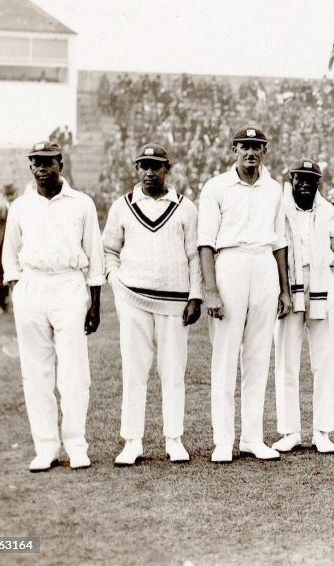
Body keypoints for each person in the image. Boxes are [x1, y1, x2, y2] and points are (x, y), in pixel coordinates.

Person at [2, 141, 104, 471]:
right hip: (32, 287)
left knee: (74, 372)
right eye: (35, 162)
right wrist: (18, 291)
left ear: (61, 163)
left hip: (68, 285)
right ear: (30, 166)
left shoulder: (81, 203)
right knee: (36, 373)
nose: (41, 167)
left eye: (48, 161)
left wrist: (95, 304)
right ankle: (46, 446)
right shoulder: (20, 206)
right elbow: (10, 254)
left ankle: (76, 445)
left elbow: (95, 254)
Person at [102, 144, 202, 465]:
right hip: (133, 299)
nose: (149, 172)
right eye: (143, 166)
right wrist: (116, 282)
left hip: (174, 303)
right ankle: (133, 441)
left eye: (155, 166)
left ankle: (174, 439)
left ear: (167, 169)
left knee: (173, 370)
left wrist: (195, 294)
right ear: (136, 168)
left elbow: (194, 255)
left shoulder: (185, 208)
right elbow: (109, 250)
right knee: (135, 370)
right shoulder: (122, 206)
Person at [197, 127, 293, 463]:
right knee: (225, 356)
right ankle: (223, 440)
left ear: (264, 150)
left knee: (257, 355)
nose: (250, 152)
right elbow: (206, 242)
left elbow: (280, 241)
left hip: (264, 265)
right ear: (234, 150)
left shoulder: (274, 189)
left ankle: (252, 437)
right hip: (231, 264)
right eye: (244, 147)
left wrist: (284, 289)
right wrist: (209, 290)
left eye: (256, 147)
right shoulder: (216, 187)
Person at [272, 159, 334, 455]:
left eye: (311, 179)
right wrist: (281, 289)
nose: (305, 183)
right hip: (289, 289)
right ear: (291, 179)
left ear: (318, 183)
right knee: (287, 361)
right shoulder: (279, 209)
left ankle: (322, 431)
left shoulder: (330, 213)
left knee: (324, 361)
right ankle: (290, 431)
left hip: (322, 287)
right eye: (300, 178)